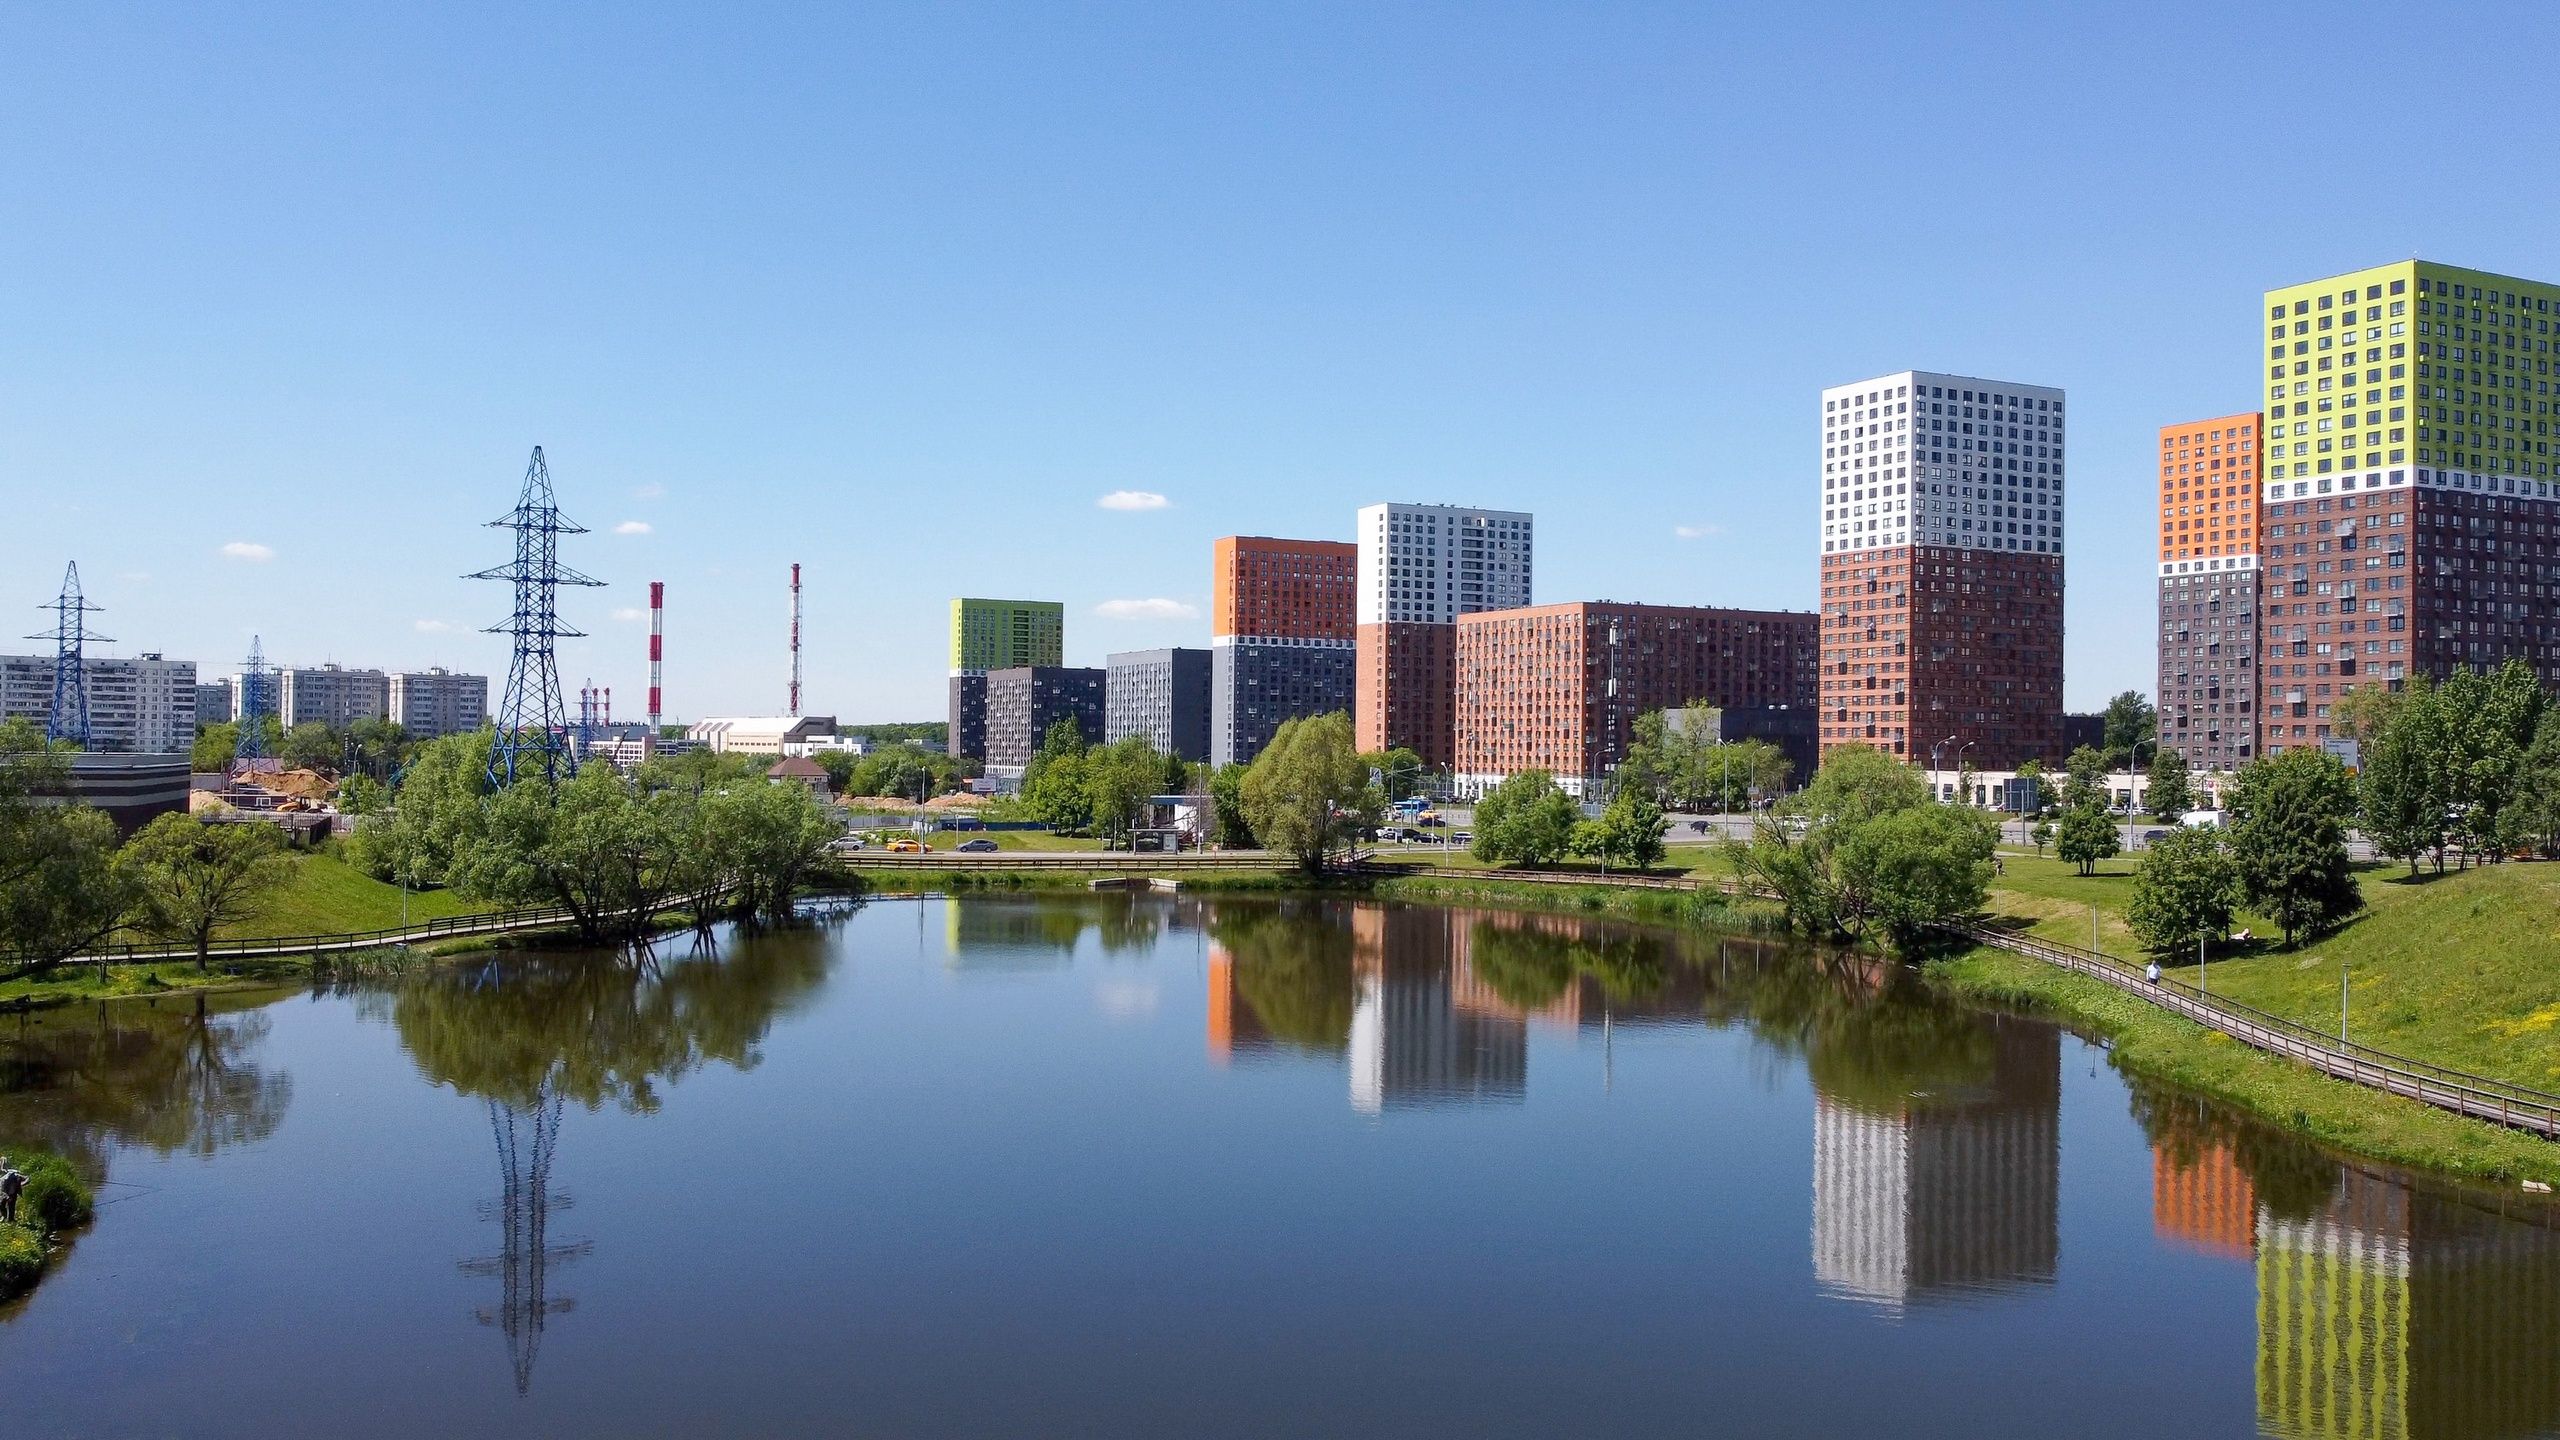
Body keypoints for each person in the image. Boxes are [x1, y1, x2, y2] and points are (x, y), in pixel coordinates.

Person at [0, 1158, 24, 1226]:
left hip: (11, 1190)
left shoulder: (13, 1173)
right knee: (1, 1204)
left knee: (11, 1205)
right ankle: (4, 1216)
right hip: (3, 1191)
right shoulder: (3, 1173)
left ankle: (10, 1219)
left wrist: (20, 1184)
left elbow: (26, 1178)